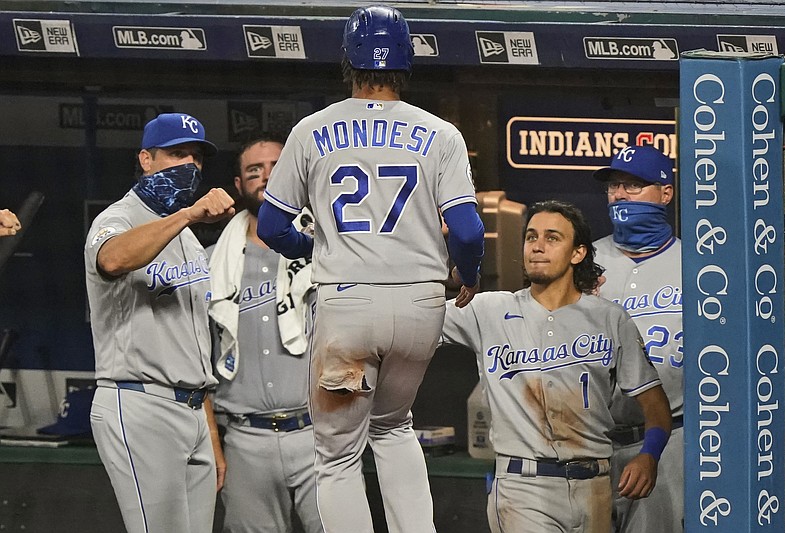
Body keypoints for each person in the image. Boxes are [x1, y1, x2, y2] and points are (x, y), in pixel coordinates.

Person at [256, 5, 485, 532]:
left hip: (348, 304)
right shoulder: (441, 133)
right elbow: (469, 232)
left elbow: (271, 226)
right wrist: (467, 275)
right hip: (421, 304)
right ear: (406, 60)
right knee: (394, 427)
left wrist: (310, 251)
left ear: (347, 61)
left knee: (337, 457)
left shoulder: (313, 130)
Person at [441, 200, 672, 533]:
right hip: (524, 487)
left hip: (596, 486)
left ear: (577, 253)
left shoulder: (609, 318)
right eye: (531, 236)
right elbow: (412, 319)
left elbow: (655, 404)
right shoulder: (488, 310)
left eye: (552, 238)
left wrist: (649, 454)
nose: (537, 245)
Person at [84, 112, 234, 533]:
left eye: (197, 157)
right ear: (146, 159)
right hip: (138, 401)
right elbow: (112, 258)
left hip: (192, 409)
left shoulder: (186, 238)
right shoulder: (119, 217)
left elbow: (192, 345)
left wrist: (211, 435)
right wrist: (187, 216)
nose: (189, 165)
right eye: (176, 154)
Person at [206, 134, 322, 533]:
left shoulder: (328, 252)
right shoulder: (212, 264)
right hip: (244, 438)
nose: (266, 177)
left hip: (317, 434)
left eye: (275, 167)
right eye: (254, 171)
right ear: (239, 187)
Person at [592, 144, 684, 532]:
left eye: (635, 185)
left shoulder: (696, 264)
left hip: (670, 441)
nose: (621, 194)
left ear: (665, 193)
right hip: (590, 442)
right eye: (615, 185)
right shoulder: (581, 261)